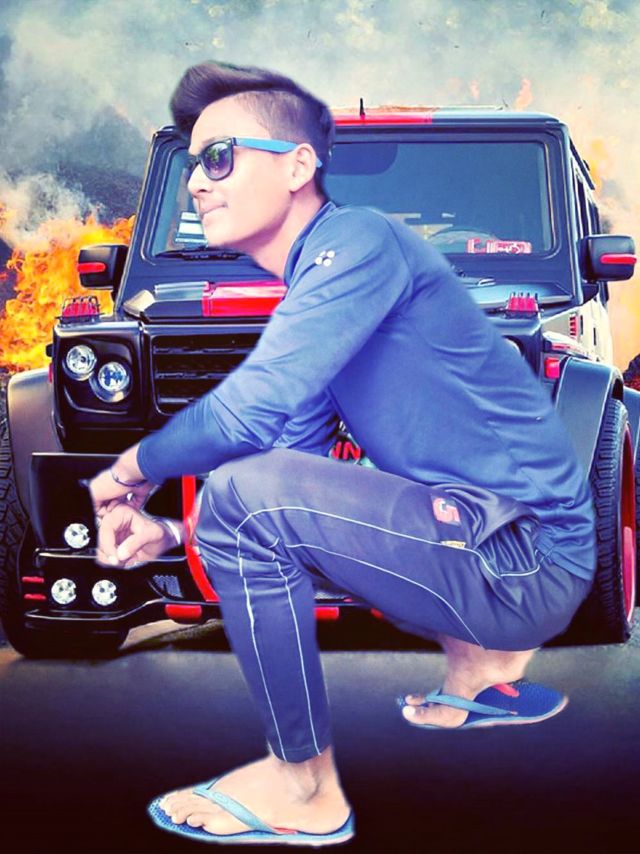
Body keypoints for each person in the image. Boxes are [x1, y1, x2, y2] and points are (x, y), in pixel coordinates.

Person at [89, 61, 596, 846]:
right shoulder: (323, 293)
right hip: (490, 544)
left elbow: (251, 412)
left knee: (237, 491)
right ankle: (484, 681)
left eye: (219, 157)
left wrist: (129, 471)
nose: (196, 183)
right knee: (244, 498)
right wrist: (174, 534)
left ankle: (304, 787)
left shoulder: (359, 240)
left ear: (298, 166)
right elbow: (299, 494)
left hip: (528, 561)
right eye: (190, 164)